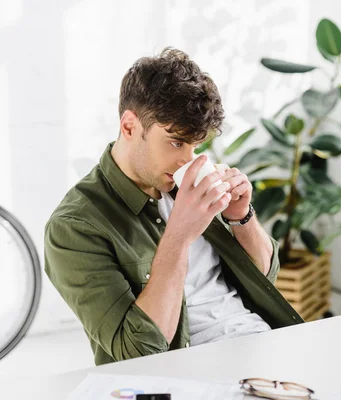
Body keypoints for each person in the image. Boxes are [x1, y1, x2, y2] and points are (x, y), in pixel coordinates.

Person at [44, 47, 302, 366]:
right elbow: (139, 351)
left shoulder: (188, 184)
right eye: (176, 142)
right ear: (129, 127)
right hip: (183, 372)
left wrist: (241, 217)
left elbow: (263, 280)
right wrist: (179, 234)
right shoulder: (75, 227)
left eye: (196, 146)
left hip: (261, 346)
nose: (187, 160)